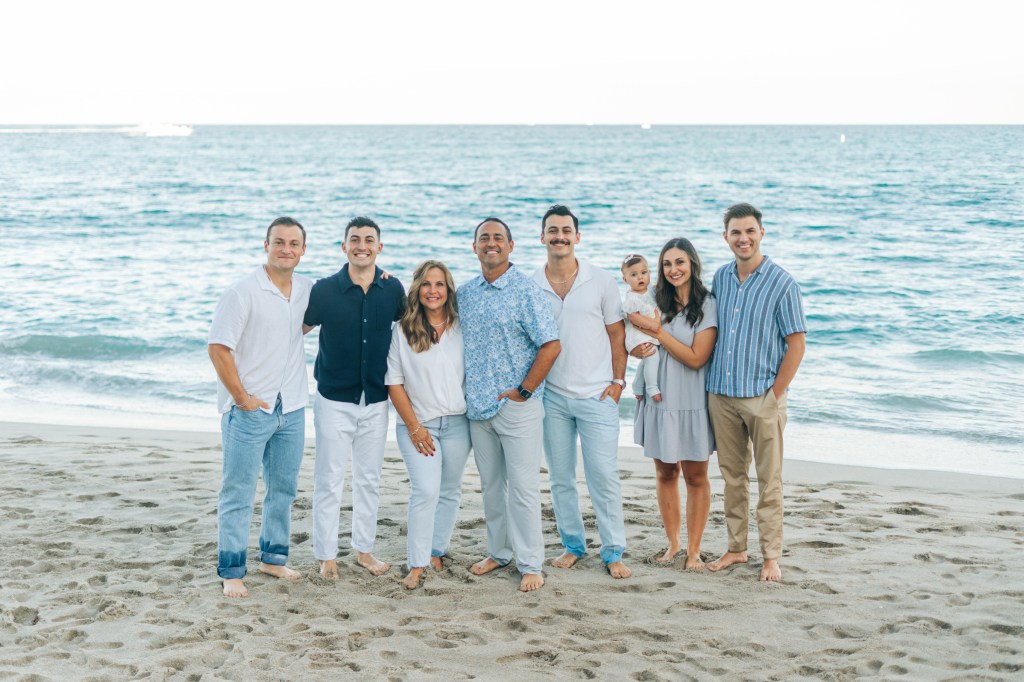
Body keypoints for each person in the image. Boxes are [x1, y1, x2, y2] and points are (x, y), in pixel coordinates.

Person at [207, 216, 311, 598]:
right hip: (250, 410)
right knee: (238, 491)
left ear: (303, 250)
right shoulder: (242, 292)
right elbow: (218, 347)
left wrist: (379, 278)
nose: (286, 249)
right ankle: (232, 569)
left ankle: (273, 558)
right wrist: (241, 398)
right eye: (279, 242)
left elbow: (346, 290)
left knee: (283, 489)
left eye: (294, 243)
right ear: (265, 245)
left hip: (293, 405)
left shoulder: (305, 290)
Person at [457, 217, 561, 593]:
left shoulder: (526, 291)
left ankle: (531, 563)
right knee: (491, 487)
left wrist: (525, 390)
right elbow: (428, 311)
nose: (491, 243)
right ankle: (499, 552)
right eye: (483, 238)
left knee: (522, 488)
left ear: (511, 246)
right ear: (474, 247)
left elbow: (551, 344)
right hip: (477, 409)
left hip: (517, 407)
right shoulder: (465, 294)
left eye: (498, 238)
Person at [704, 203, 807, 582]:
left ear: (761, 232)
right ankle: (735, 548)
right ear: (726, 237)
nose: (743, 238)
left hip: (762, 397)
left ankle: (770, 556)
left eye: (749, 231)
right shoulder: (721, 278)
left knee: (769, 480)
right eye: (735, 232)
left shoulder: (783, 283)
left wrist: (774, 395)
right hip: (721, 395)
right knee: (732, 477)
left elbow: (796, 345)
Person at [530, 205, 631, 579]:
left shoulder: (601, 281)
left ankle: (613, 550)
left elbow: (617, 335)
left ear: (577, 237)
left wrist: (618, 382)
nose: (560, 236)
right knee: (560, 477)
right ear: (542, 238)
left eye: (566, 230)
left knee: (603, 474)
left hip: (597, 396)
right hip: (552, 397)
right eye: (552, 230)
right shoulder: (530, 283)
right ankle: (573, 545)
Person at [303, 216, 405, 579]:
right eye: (355, 239)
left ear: (380, 246)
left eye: (369, 239)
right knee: (329, 479)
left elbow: (410, 337)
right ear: (343, 246)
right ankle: (326, 556)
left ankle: (364, 550)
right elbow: (294, 331)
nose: (362, 245)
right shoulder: (324, 290)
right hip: (334, 399)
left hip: (376, 401)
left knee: (369, 479)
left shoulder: (393, 290)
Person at [630, 238, 718, 570]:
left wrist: (658, 333)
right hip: (659, 395)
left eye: (680, 262)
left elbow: (697, 358)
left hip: (693, 395)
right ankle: (673, 544)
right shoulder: (652, 298)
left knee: (696, 475)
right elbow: (632, 334)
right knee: (665, 470)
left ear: (692, 264)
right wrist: (636, 349)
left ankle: (694, 550)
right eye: (667, 264)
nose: (673, 270)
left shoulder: (708, 303)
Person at [385, 260, 471, 590]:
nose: (432, 291)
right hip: (417, 425)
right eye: (426, 284)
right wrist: (415, 427)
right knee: (425, 490)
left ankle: (436, 550)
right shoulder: (402, 331)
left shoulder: (462, 327)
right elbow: (394, 384)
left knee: (449, 491)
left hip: (458, 423)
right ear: (417, 290)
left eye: (439, 284)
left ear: (448, 289)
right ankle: (417, 563)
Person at [621, 253, 662, 402]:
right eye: (634, 275)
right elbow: (633, 317)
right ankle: (652, 388)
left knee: (647, 359)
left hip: (647, 334)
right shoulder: (632, 298)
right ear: (625, 279)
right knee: (652, 355)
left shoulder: (649, 290)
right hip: (637, 335)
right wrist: (655, 326)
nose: (640, 278)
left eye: (643, 273)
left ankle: (638, 386)